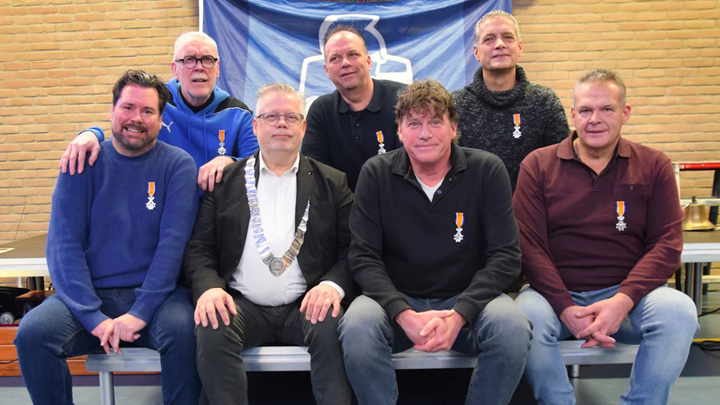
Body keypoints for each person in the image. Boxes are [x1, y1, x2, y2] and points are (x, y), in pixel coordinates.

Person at [339, 78, 531, 405]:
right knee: (357, 325)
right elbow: (363, 257)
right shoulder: (375, 173)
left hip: (468, 300)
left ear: (454, 128)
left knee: (512, 327)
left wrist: (460, 314)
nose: (425, 133)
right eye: (414, 123)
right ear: (400, 131)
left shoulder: (487, 170)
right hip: (396, 301)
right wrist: (402, 314)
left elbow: (506, 256)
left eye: (435, 122)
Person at [513, 69, 699, 405]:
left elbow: (666, 244)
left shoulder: (654, 165)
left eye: (607, 109)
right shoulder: (537, 166)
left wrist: (622, 301)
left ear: (625, 113)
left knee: (679, 311)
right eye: (586, 110)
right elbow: (529, 246)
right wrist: (565, 307)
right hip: (554, 298)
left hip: (630, 300)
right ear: (573, 115)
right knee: (523, 317)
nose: (595, 119)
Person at [15, 70, 201, 405]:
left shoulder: (178, 165)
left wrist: (140, 312)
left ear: (161, 120)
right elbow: (64, 246)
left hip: (158, 299)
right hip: (89, 296)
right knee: (32, 333)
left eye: (148, 111)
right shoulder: (81, 161)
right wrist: (92, 317)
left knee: (187, 332)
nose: (136, 118)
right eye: (128, 107)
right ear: (112, 111)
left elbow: (172, 247)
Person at [182, 82, 354, 405]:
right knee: (212, 323)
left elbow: (352, 250)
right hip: (242, 305)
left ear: (303, 127)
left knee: (331, 323)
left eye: (291, 117)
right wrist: (209, 288)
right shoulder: (226, 182)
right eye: (271, 116)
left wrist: (332, 285)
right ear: (255, 125)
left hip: (306, 305)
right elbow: (199, 248)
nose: (281, 124)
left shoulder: (333, 182)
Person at [60, 31, 258, 192]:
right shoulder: (155, 102)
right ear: (175, 69)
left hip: (215, 215)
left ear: (217, 68)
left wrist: (230, 161)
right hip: (160, 207)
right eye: (189, 60)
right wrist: (92, 134)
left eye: (207, 59)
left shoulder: (239, 114)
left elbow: (259, 165)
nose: (199, 67)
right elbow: (125, 132)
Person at [453, 10, 569, 189]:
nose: (499, 44)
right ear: (476, 52)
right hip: (472, 205)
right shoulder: (455, 105)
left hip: (533, 205)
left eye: (507, 37)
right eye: (489, 39)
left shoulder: (546, 103)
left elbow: (562, 169)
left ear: (520, 47)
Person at [302, 25, 406, 191]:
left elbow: (412, 168)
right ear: (327, 70)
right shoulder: (321, 111)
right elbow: (315, 177)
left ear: (369, 61)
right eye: (335, 58)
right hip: (341, 206)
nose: (345, 63)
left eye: (353, 54)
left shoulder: (403, 100)